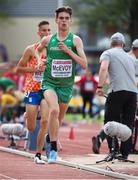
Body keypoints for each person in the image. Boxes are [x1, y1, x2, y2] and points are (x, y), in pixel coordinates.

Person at [36, 6, 87, 163]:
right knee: (54, 111)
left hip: (66, 86)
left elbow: (84, 64)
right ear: (56, 20)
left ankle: (50, 137)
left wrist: (69, 51)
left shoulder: (76, 40)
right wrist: (39, 61)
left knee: (57, 119)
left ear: (70, 21)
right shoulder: (48, 39)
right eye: (61, 18)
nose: (64, 20)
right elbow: (37, 51)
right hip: (49, 83)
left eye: (67, 18)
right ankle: (53, 151)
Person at [94, 32, 138, 160]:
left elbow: (103, 69)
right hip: (132, 93)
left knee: (110, 121)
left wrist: (100, 87)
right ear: (123, 44)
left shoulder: (108, 53)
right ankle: (124, 153)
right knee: (128, 123)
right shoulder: (131, 58)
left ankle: (113, 150)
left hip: (117, 91)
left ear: (111, 44)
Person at [16, 21, 51, 164]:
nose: (47, 33)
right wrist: (35, 69)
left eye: (49, 30)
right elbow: (19, 69)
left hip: (47, 89)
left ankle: (38, 154)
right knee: (31, 127)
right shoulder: (31, 49)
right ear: (39, 33)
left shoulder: (54, 51)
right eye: (44, 30)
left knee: (44, 122)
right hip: (32, 89)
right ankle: (28, 115)